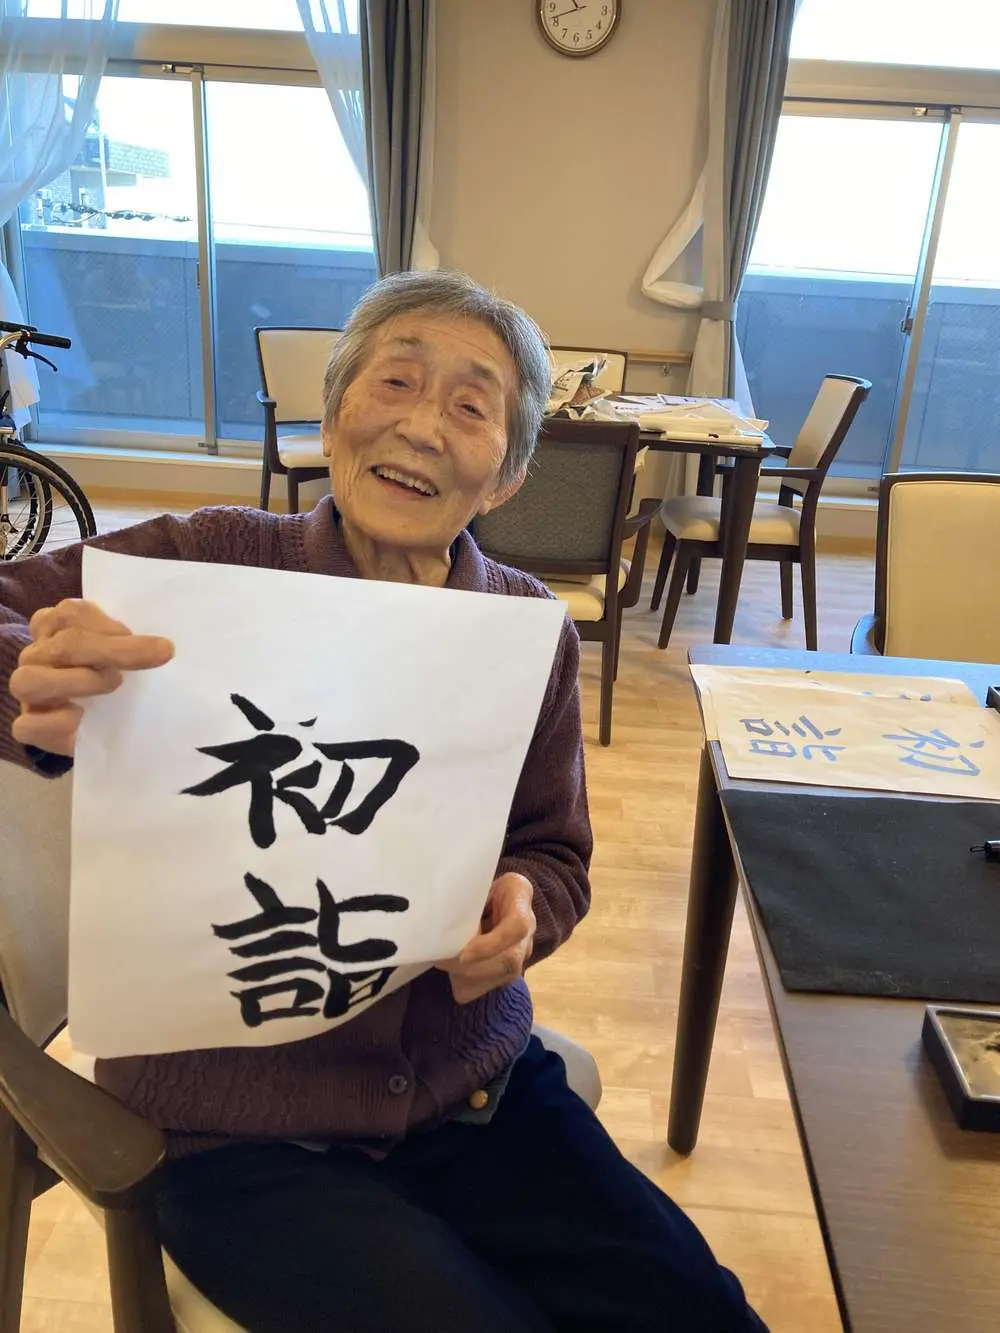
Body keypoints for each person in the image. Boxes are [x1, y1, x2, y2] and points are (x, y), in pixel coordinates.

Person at [0, 271, 767, 1333]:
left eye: (471, 405)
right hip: (236, 1139)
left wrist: (523, 911)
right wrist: (30, 678)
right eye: (395, 381)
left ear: (508, 476)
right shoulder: (204, 564)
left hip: (482, 1097)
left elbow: (553, 853)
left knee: (705, 1314)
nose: (421, 425)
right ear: (332, 417)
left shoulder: (522, 630)